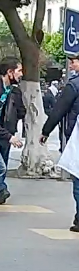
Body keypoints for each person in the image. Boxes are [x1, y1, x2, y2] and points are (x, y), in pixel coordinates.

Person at [41, 52, 79, 233]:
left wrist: (45, 132)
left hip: (78, 138)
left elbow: (59, 110)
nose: (71, 66)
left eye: (75, 63)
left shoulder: (75, 85)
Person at [0, 57, 24, 205]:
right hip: (5, 134)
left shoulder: (12, 90)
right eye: (19, 71)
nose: (22, 74)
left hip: (4, 133)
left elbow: (21, 111)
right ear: (9, 72)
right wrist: (9, 136)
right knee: (1, 167)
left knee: (3, 166)